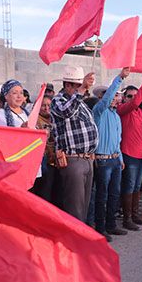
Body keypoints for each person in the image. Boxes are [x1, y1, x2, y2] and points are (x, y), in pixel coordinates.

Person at [51, 66, 98, 221]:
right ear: (68, 85)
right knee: (75, 207)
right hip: (73, 158)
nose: (81, 89)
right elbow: (67, 112)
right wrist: (80, 91)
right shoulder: (58, 100)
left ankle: (80, 240)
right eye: (78, 86)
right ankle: (74, 242)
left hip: (87, 158)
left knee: (83, 206)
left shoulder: (80, 103)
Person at [92, 68, 130, 239]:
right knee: (102, 195)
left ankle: (111, 224)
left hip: (114, 160)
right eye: (113, 95)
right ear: (102, 97)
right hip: (102, 160)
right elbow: (106, 101)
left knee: (114, 194)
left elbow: (118, 140)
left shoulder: (115, 116)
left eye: (117, 95)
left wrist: (120, 158)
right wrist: (120, 78)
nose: (116, 98)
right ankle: (100, 228)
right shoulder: (99, 112)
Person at [118, 72, 142, 231]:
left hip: (140, 155)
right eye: (129, 96)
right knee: (129, 186)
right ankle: (127, 218)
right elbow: (134, 103)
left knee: (137, 186)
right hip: (129, 154)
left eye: (134, 95)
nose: (133, 98)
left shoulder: (139, 112)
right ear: (124, 98)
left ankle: (134, 215)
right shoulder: (123, 110)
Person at [31, 95, 58, 204]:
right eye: (43, 106)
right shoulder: (34, 121)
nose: (47, 108)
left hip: (57, 161)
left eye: (49, 105)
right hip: (44, 162)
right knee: (45, 195)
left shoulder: (55, 119)